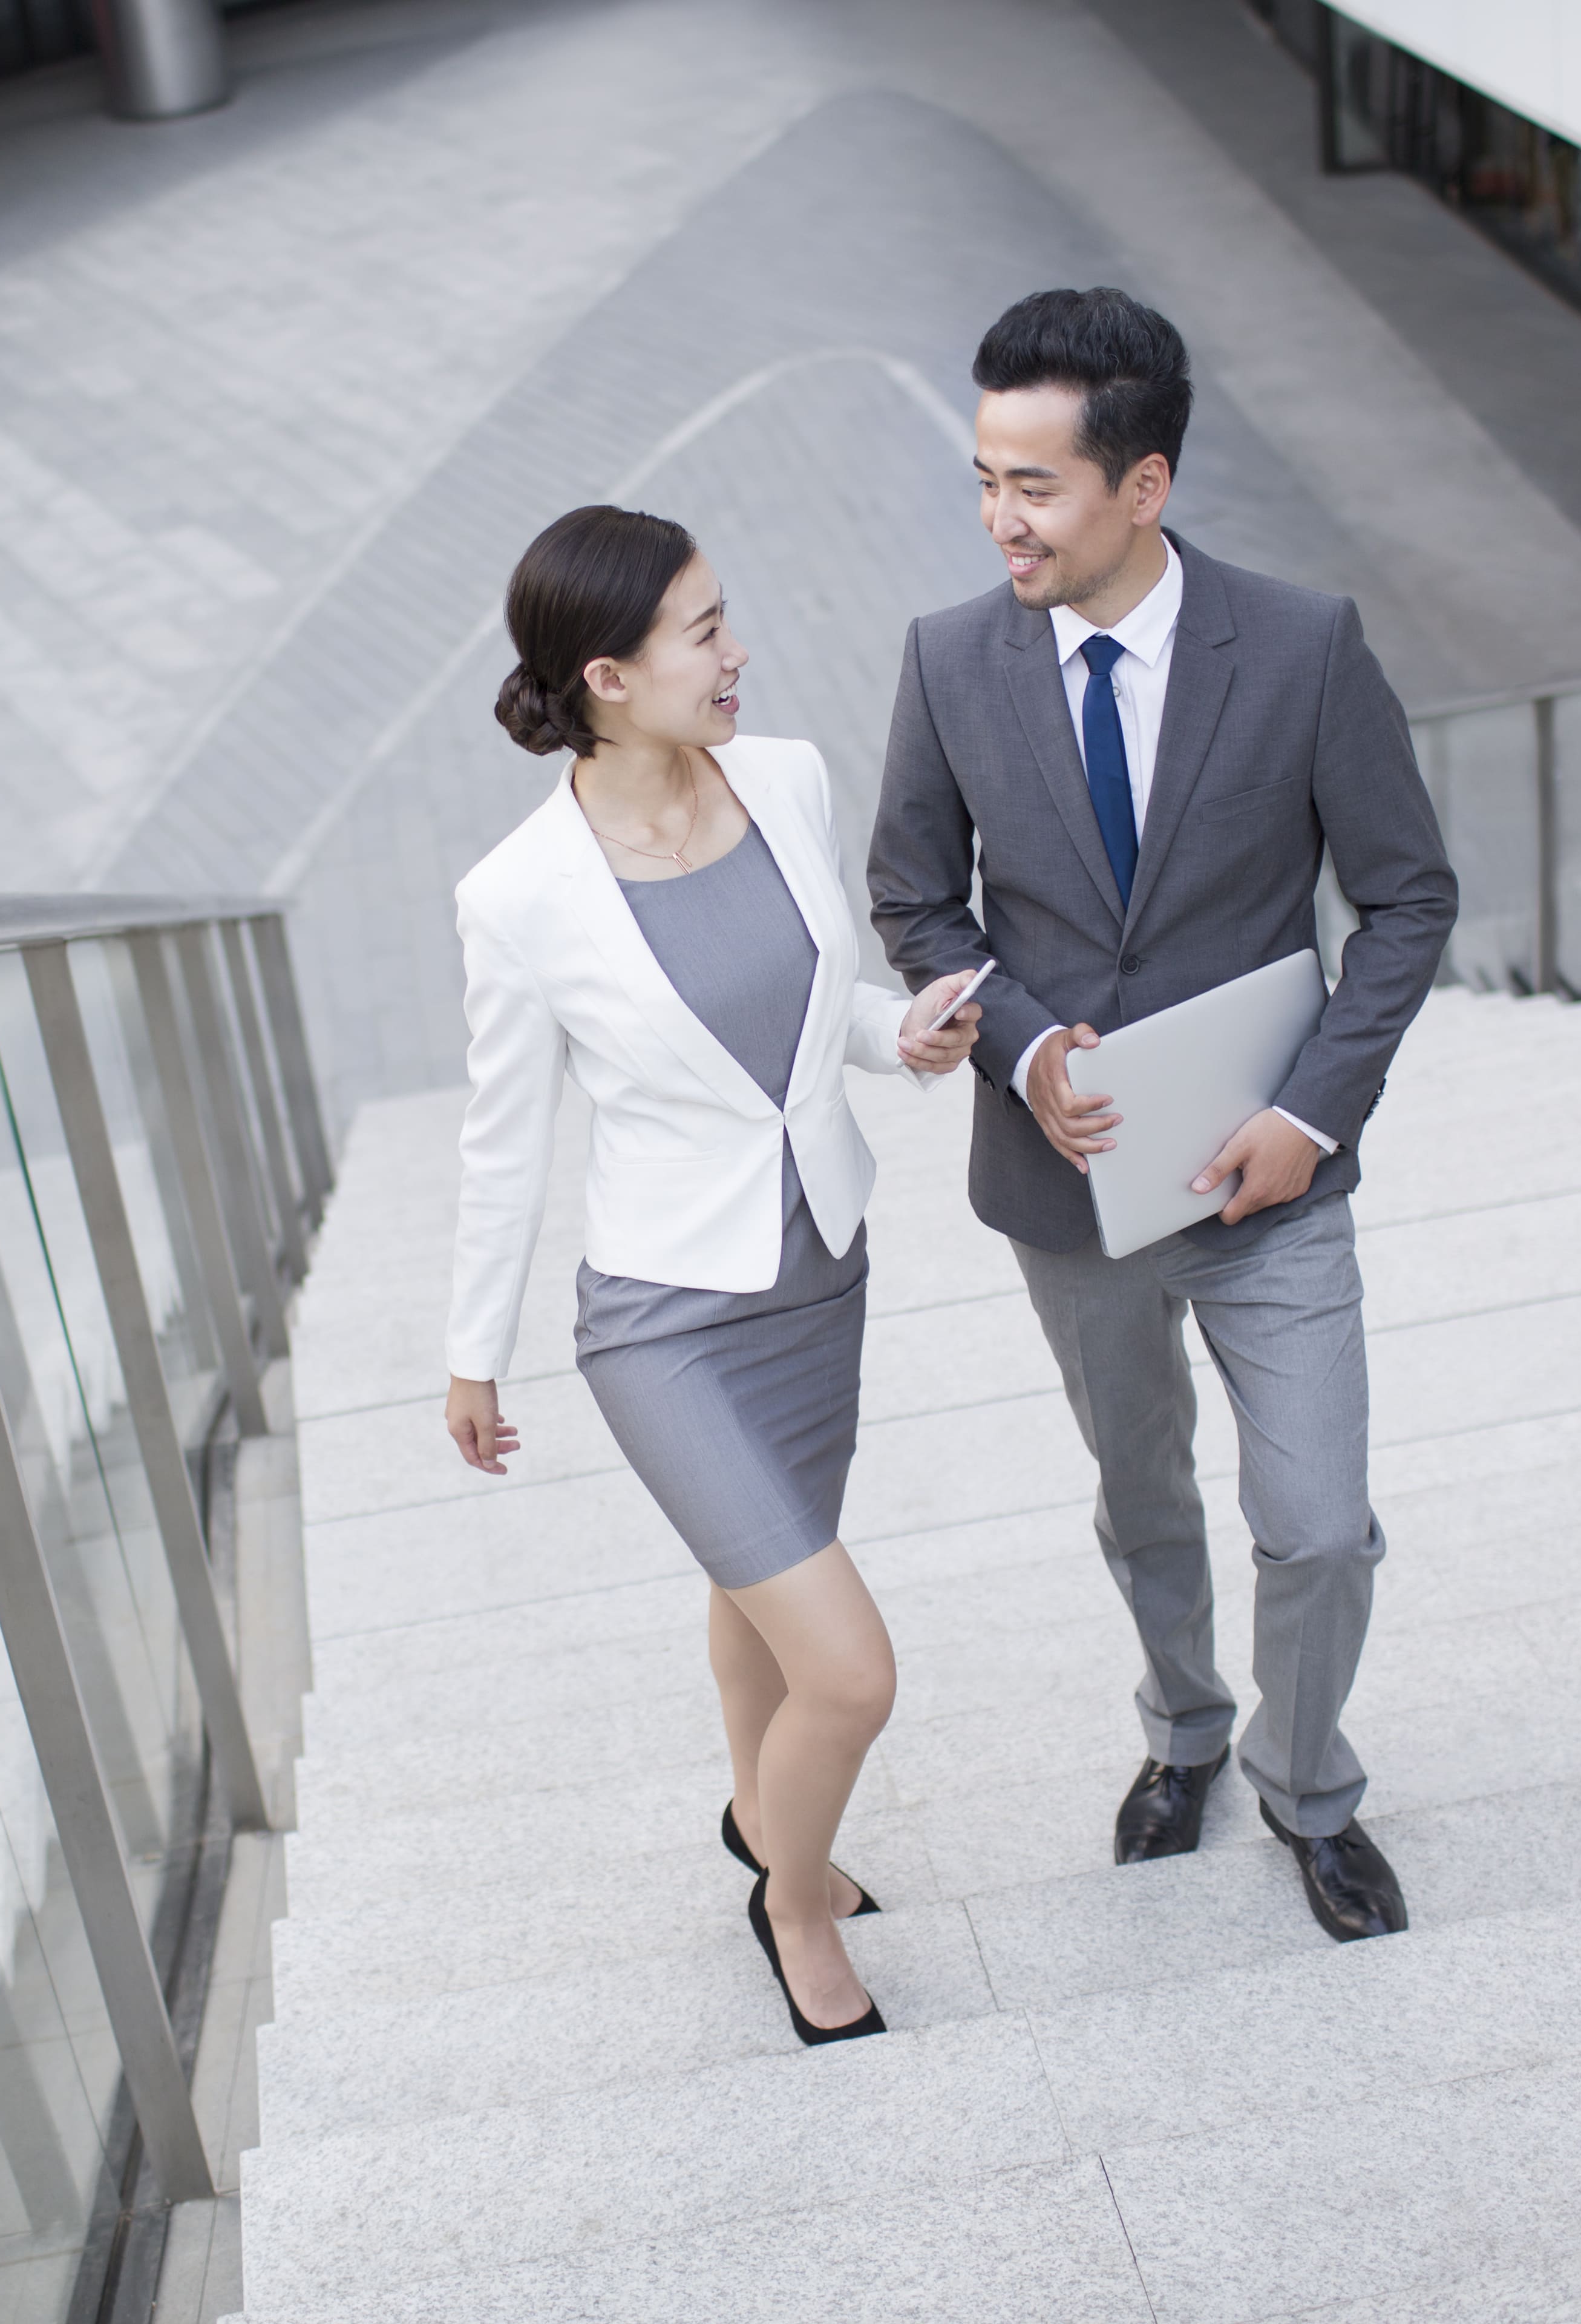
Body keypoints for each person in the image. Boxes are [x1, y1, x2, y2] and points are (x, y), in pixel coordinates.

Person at [868, 288, 1456, 1942]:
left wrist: (1315, 1118)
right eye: (986, 479)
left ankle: (1310, 1783)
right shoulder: (949, 658)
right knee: (1142, 1496)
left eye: (1035, 485)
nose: (1001, 519)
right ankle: (1185, 1731)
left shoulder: (1305, 645)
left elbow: (1407, 901)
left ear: (1146, 485)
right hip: (1076, 1189)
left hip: (1274, 1178)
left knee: (1321, 1526)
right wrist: (1029, 1049)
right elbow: (917, 902)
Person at [444, 505, 983, 2043]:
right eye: (703, 633)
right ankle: (791, 1894)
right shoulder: (520, 895)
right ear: (608, 677)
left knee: (758, 1599)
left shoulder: (787, 777)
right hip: (665, 1321)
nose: (737, 652)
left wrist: (906, 1035)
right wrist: (473, 1356)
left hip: (818, 1265)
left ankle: (762, 1816)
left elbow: (818, 1002)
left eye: (726, 617)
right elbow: (505, 1139)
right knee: (854, 1672)